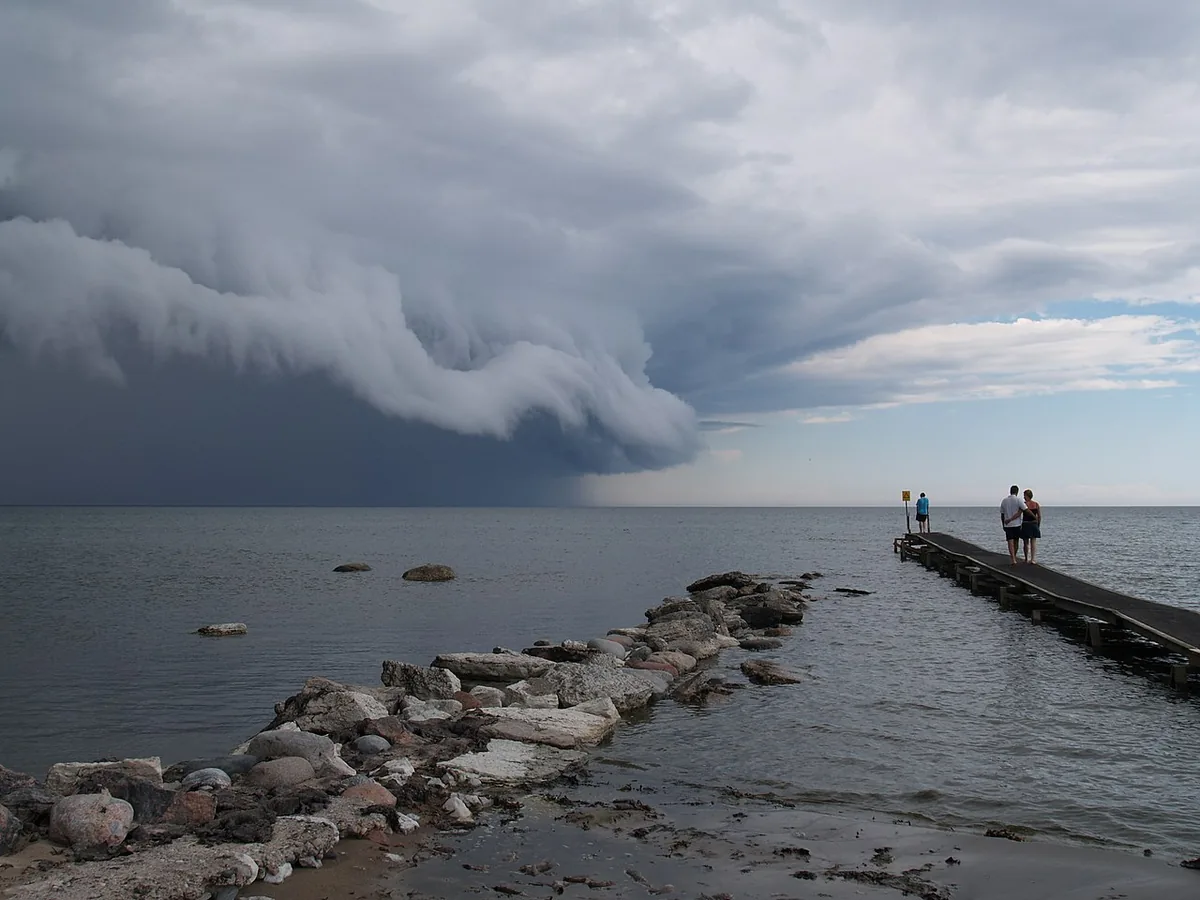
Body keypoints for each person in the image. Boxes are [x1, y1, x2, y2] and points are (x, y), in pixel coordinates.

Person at [999, 485, 1027, 565]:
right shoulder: (1018, 500)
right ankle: (1014, 555)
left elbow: (1002, 514)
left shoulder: (1004, 501)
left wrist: (1003, 524)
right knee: (1016, 541)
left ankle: (1013, 559)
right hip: (1017, 524)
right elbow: (1025, 509)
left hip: (1007, 525)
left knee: (1010, 542)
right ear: (1017, 492)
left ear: (1010, 491)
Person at [1021, 489, 1042, 564]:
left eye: (1024, 495)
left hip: (1026, 524)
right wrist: (1038, 525)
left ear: (1028, 496)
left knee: (1026, 542)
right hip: (1033, 524)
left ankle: (1027, 558)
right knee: (1032, 542)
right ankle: (1032, 559)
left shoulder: (1024, 504)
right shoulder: (1036, 504)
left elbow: (1019, 514)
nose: (1024, 497)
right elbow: (1039, 516)